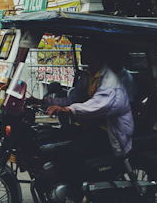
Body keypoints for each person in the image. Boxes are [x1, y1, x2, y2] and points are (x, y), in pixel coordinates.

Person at [45, 39, 133, 201]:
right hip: (90, 125)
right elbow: (72, 99)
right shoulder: (88, 76)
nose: (82, 54)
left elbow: (97, 104)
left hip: (109, 130)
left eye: (86, 51)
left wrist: (69, 110)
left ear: (96, 55)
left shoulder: (110, 81)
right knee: (55, 141)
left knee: (72, 151)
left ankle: (76, 195)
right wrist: (45, 102)